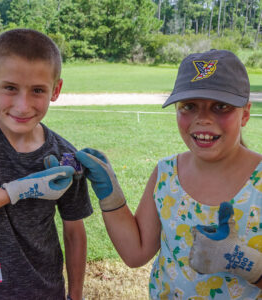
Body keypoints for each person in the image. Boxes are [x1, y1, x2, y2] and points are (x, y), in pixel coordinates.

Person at [75, 49, 262, 299]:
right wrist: (110, 196)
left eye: (220, 106)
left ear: (246, 113)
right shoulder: (166, 174)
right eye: (189, 106)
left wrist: (246, 263)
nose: (203, 119)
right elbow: (135, 253)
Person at [0, 29, 92, 300]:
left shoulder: (65, 156)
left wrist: (76, 295)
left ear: (55, 90)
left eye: (37, 91)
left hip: (45, 290)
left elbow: (74, 232)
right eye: (10, 88)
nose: (23, 106)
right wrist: (15, 190)